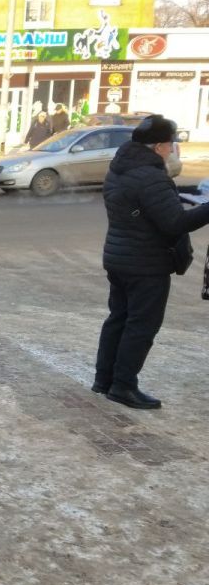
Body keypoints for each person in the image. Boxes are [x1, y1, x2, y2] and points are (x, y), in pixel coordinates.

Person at [92, 114, 209, 410]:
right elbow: (175, 223)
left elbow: (149, 206)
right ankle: (123, 386)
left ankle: (104, 380)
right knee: (141, 326)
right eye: (170, 144)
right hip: (146, 263)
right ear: (158, 147)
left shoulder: (121, 168)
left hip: (120, 258)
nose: (172, 149)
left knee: (118, 319)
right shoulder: (151, 176)